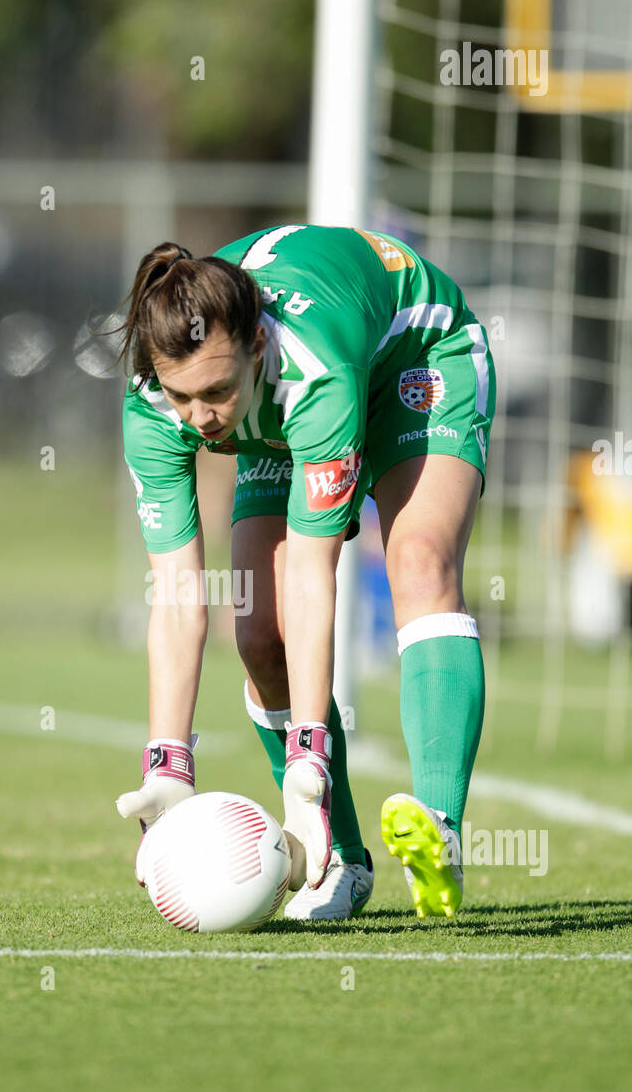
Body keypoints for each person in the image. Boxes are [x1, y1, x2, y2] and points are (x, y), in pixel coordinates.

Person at [115, 224, 495, 921]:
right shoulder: (151, 407)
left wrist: (308, 757)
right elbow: (175, 595)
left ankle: (438, 830)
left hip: (414, 358)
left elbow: (315, 576)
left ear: (257, 345)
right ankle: (344, 862)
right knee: (260, 633)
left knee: (418, 563)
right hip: (278, 415)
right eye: (182, 397)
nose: (202, 421)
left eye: (217, 391)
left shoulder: (313, 371)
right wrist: (167, 760)